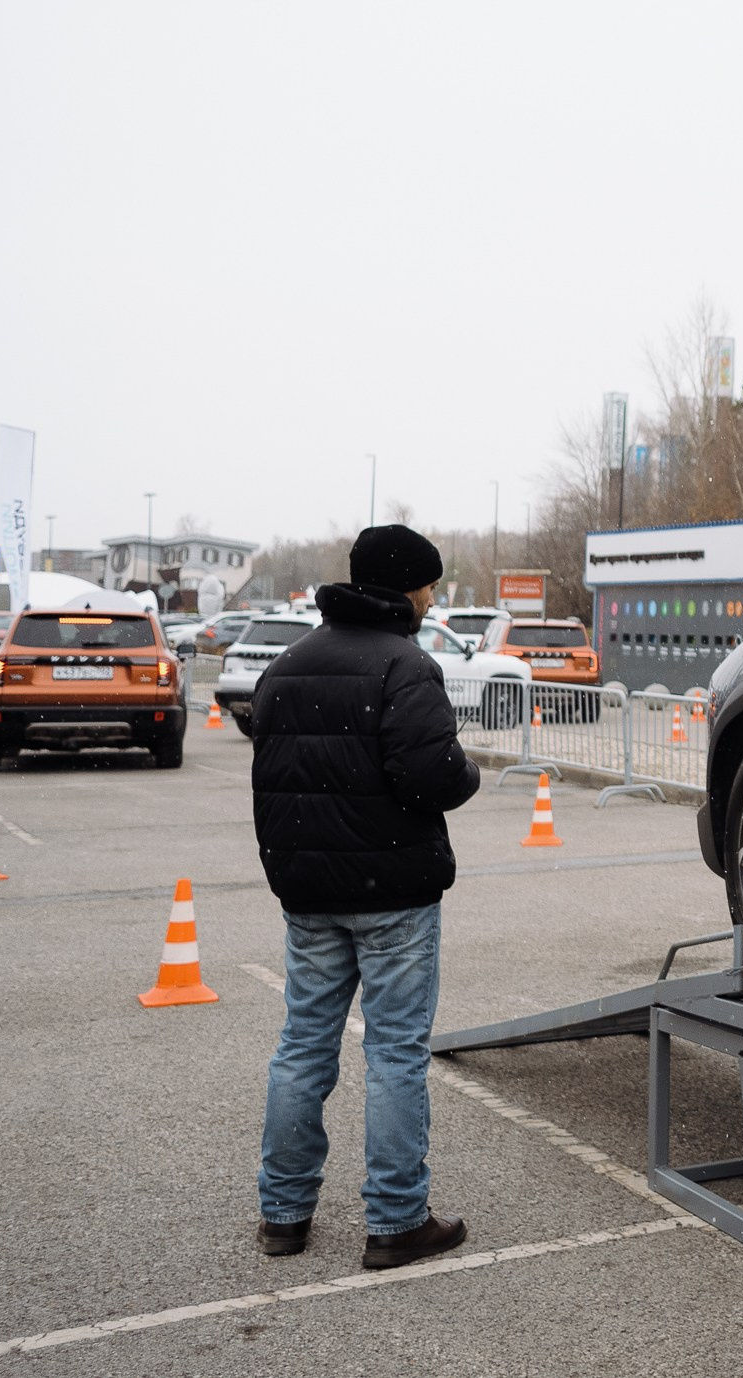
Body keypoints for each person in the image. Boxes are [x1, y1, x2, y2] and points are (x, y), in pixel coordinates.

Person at [250, 524, 479, 1267]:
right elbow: (433, 777)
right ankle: (396, 1222)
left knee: (302, 1050)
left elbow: (272, 778)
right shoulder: (404, 667)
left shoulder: (287, 664)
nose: (432, 599)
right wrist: (466, 771)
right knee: (395, 1056)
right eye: (430, 587)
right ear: (406, 589)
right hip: (394, 895)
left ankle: (283, 1216)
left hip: (308, 893)